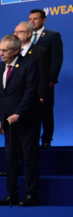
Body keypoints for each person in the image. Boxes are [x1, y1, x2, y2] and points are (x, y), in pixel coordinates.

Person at [0, 35, 41, 206]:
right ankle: (12, 194)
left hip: (27, 120)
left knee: (30, 158)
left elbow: (30, 92)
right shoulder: (0, 68)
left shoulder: (29, 64)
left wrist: (19, 113)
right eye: (0, 50)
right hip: (8, 123)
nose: (1, 54)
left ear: (15, 50)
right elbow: (0, 96)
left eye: (5, 51)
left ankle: (32, 195)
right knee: (10, 159)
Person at [29, 8, 64, 147]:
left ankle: (46, 140)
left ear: (43, 20)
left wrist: (51, 79)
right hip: (29, 81)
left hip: (45, 81)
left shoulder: (52, 35)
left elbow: (57, 60)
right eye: (30, 19)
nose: (32, 22)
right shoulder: (25, 37)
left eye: (35, 19)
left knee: (46, 111)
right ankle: (32, 140)